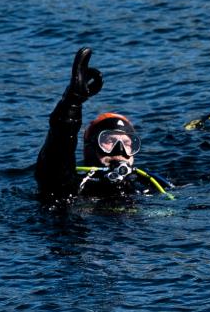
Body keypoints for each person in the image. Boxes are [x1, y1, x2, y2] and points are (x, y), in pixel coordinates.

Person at [34, 47, 172, 202]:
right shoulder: (72, 187)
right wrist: (72, 102)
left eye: (127, 143)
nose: (119, 151)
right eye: (109, 141)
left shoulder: (151, 186)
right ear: (90, 148)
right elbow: (57, 150)